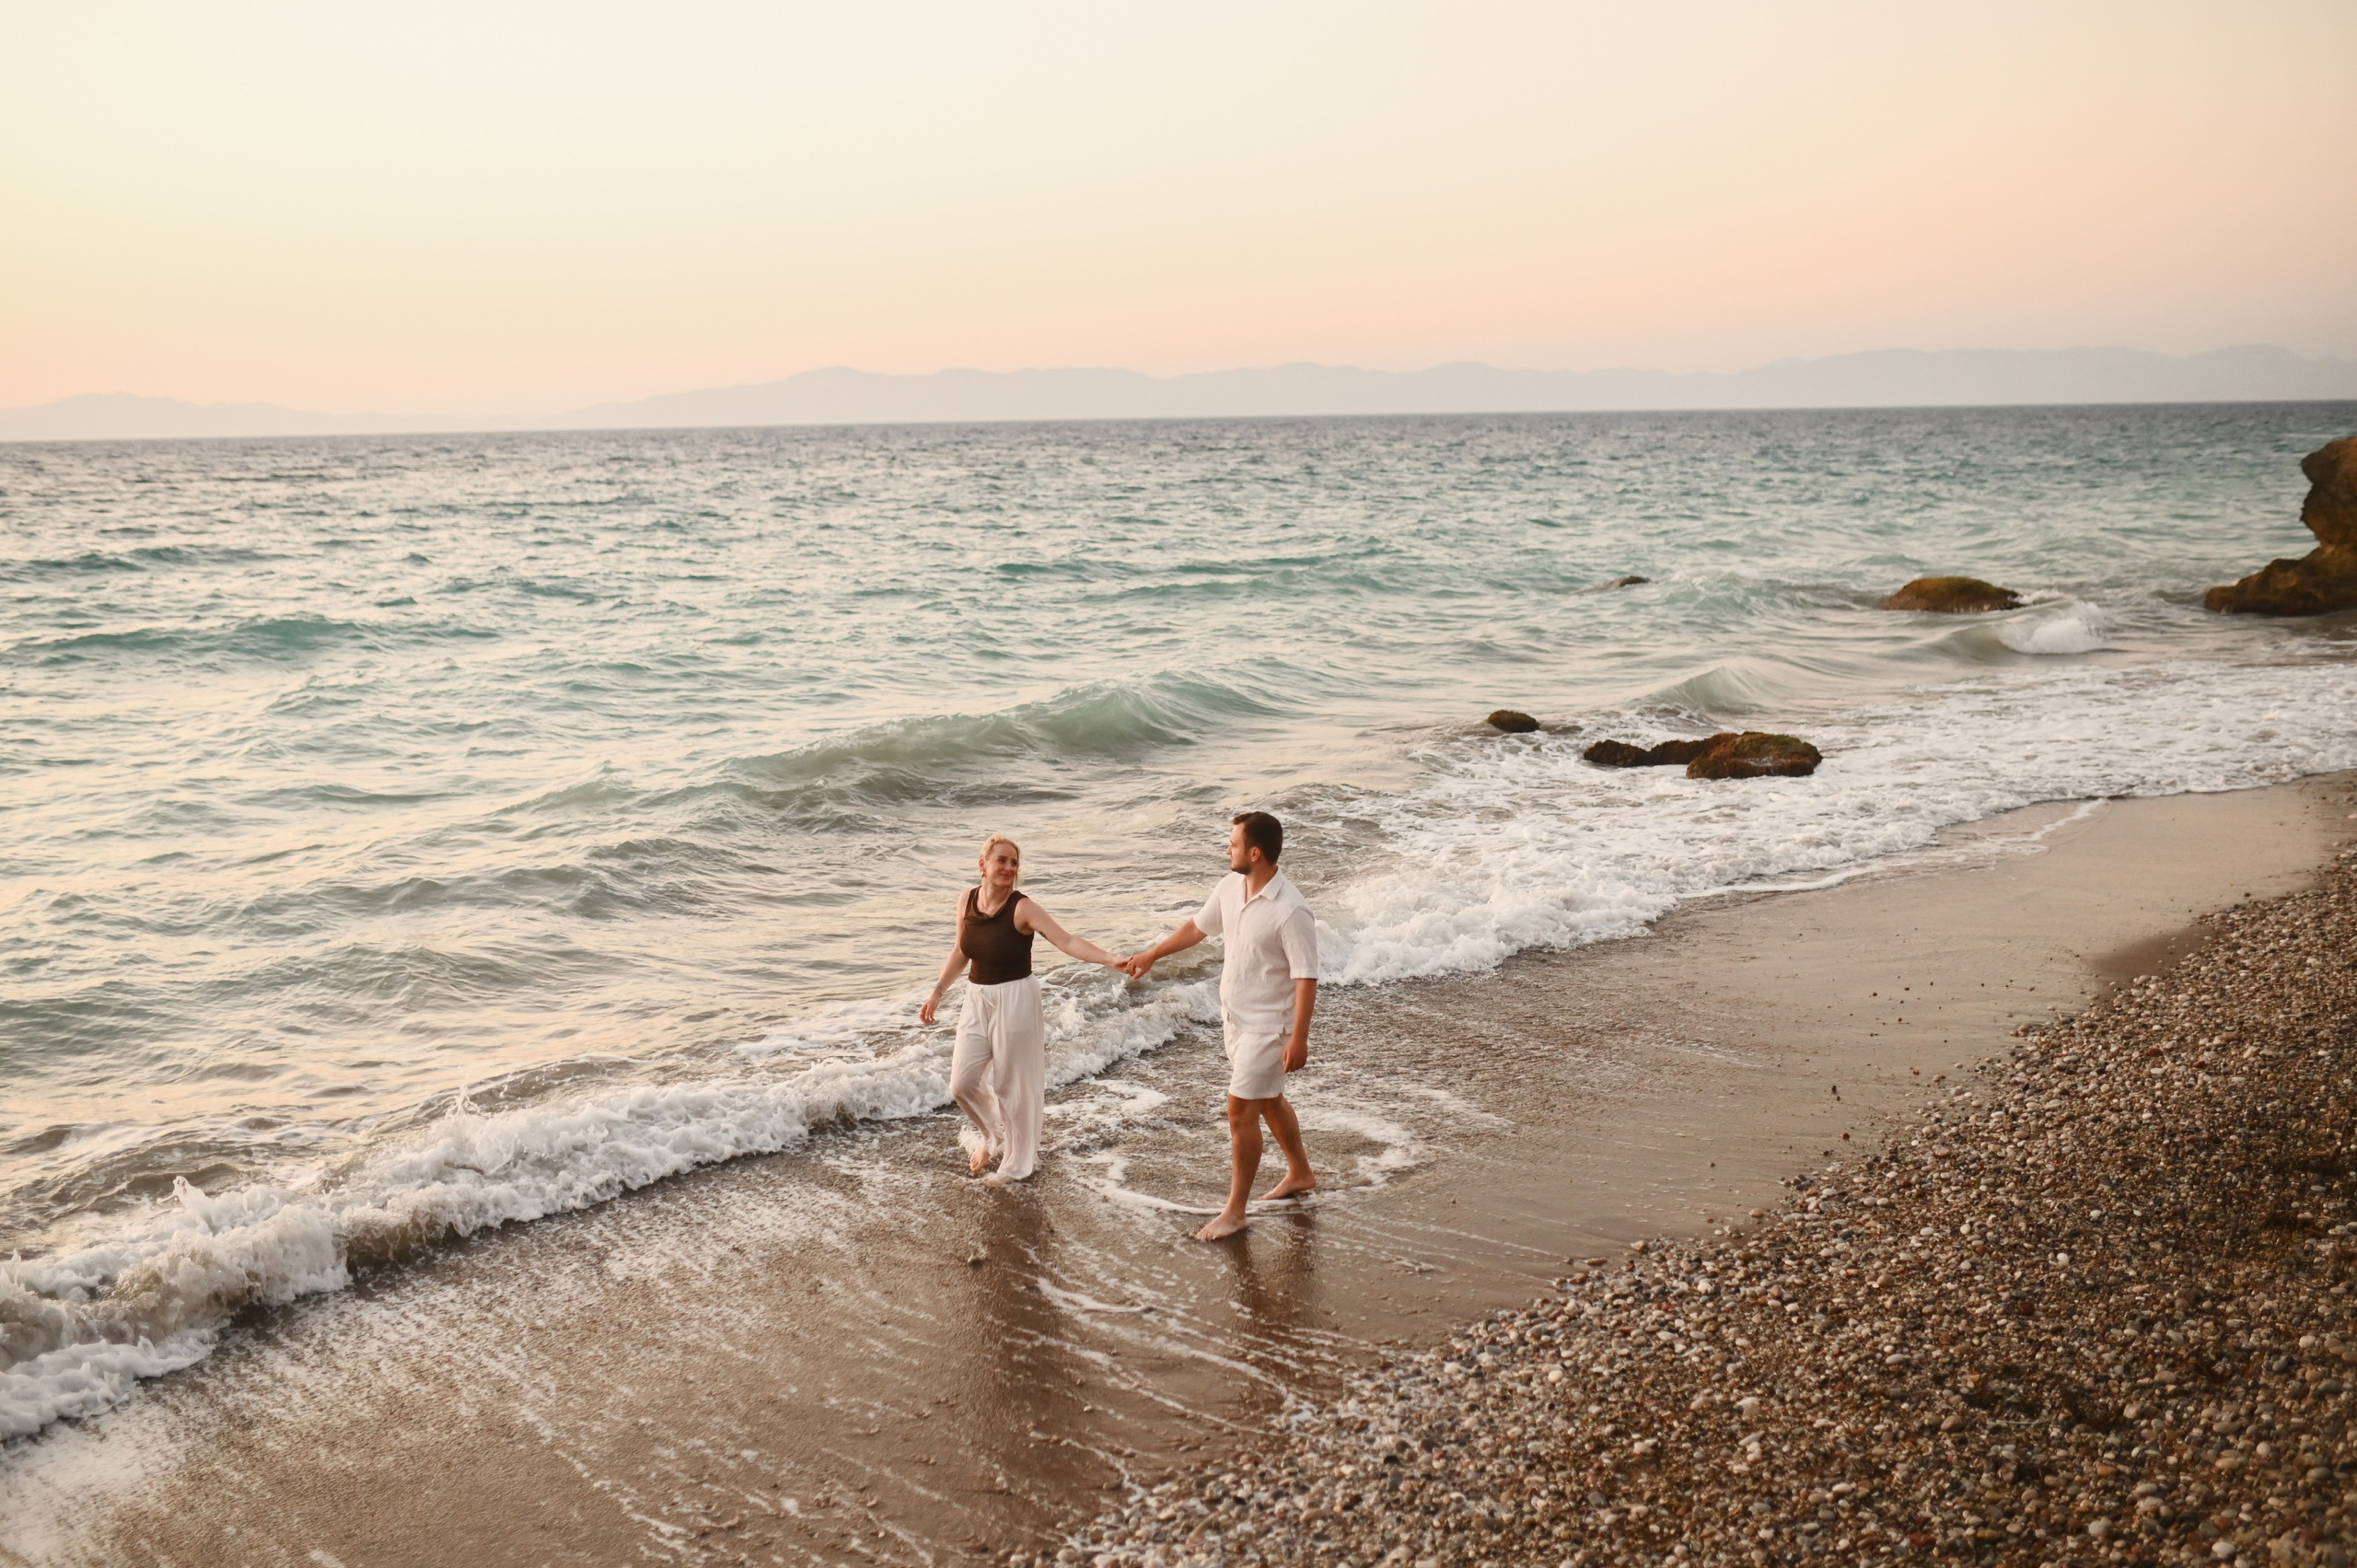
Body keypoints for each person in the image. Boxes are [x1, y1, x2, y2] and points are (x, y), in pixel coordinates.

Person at [1121, 811, 1318, 1240]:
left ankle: (1235, 1211)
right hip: (1236, 1020)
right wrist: (1154, 954)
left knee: (1240, 1109)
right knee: (1268, 1101)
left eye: (1232, 844)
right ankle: (1301, 1172)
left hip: (1271, 1026)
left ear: (1255, 852)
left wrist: (1299, 1037)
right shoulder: (1231, 887)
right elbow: (1198, 928)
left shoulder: (1291, 910)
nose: (1226, 850)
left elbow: (1306, 977)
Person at [921, 834, 1123, 1186]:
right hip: (976, 997)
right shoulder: (966, 899)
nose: (1009, 868)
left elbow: (1067, 941)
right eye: (1001, 860)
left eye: (1014, 863)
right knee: (962, 1083)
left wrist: (1110, 959)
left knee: (1013, 1088)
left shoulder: (1022, 908)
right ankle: (992, 1136)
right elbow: (961, 950)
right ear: (982, 865)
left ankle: (1016, 1165)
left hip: (1016, 998)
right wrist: (938, 991)